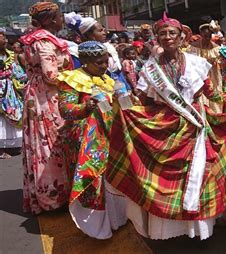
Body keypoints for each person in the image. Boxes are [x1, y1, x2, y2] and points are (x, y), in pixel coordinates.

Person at [105, 13, 226, 240]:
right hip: (165, 129)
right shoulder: (150, 69)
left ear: (182, 37)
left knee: (201, 174)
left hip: (195, 127)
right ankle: (169, 230)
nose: (167, 37)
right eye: (162, 34)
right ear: (157, 39)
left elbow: (210, 92)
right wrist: (125, 106)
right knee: (166, 179)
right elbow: (144, 100)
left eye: (172, 33)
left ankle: (199, 228)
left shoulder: (196, 63)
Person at [57, 41, 127, 239]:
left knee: (112, 177)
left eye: (106, 62)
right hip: (85, 139)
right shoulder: (72, 79)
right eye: (99, 62)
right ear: (85, 61)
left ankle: (116, 219)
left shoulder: (107, 79)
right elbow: (65, 110)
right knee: (93, 180)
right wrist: (86, 107)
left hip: (109, 134)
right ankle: (95, 225)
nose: (104, 66)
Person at [20, 2, 72, 214]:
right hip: (47, 98)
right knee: (52, 141)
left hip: (37, 93)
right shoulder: (44, 41)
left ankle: (51, 193)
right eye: (60, 16)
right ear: (52, 20)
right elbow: (51, 76)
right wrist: (77, 79)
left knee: (43, 142)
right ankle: (54, 196)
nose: (62, 20)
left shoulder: (36, 39)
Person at [64, 13, 130, 90]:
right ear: (87, 35)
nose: (104, 33)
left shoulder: (108, 48)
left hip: (118, 85)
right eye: (100, 30)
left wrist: (127, 88)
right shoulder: (77, 53)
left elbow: (117, 72)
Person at [189, 19, 224, 113]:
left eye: (209, 36)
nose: (207, 38)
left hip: (214, 75)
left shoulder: (216, 47)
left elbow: (222, 61)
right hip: (200, 75)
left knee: (214, 91)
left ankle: (215, 113)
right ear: (200, 34)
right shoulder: (193, 46)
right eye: (205, 36)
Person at [0, 30, 23, 159]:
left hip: (9, 90)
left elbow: (17, 72)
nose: (3, 41)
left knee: (11, 114)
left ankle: (11, 145)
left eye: (4, 39)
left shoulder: (12, 56)